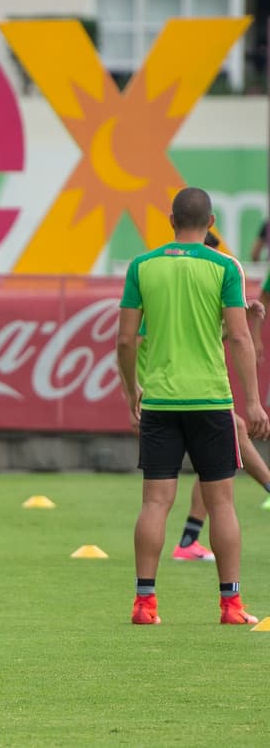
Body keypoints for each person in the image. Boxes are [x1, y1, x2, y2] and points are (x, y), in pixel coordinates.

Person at [116, 187, 269, 627]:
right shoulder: (224, 267)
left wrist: (132, 392)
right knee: (222, 503)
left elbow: (125, 339)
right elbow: (239, 337)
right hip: (211, 400)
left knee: (155, 502)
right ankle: (231, 606)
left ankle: (145, 604)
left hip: (160, 399)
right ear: (212, 221)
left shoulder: (142, 266)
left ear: (170, 220)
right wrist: (254, 402)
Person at [170, 230, 270, 561]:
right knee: (233, 437)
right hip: (188, 390)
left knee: (214, 461)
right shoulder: (190, 283)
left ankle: (187, 542)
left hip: (173, 390)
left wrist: (243, 321)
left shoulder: (169, 279)